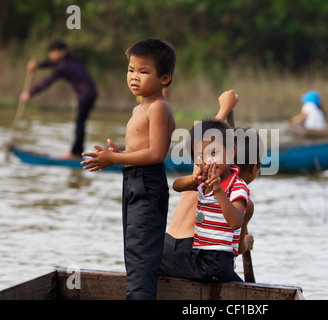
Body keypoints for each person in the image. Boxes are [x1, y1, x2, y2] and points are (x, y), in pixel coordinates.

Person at [80, 38, 176, 300]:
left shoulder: (158, 108)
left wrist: (114, 159)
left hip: (147, 184)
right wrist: (121, 155)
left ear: (164, 77)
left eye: (144, 72)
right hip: (133, 181)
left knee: (141, 257)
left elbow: (157, 154)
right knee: (134, 255)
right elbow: (143, 149)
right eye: (131, 70)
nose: (135, 77)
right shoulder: (139, 108)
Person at [164, 91, 261, 282]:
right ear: (255, 167)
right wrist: (247, 243)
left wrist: (225, 107)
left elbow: (205, 141)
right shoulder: (204, 179)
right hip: (194, 251)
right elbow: (205, 141)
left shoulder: (203, 176)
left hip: (169, 245)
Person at [20, 40, 98, 159]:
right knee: (80, 122)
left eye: (54, 52)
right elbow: (51, 62)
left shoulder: (64, 66)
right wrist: (38, 65)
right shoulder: (72, 57)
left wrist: (30, 94)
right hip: (90, 93)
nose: (51, 55)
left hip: (86, 94)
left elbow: (47, 82)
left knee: (80, 122)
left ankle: (76, 153)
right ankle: (77, 152)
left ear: (62, 51)